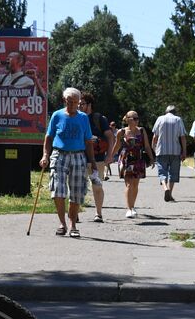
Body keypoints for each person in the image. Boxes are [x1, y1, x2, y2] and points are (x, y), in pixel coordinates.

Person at [39, 87, 95, 237]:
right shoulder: (57, 116)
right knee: (57, 189)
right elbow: (49, 137)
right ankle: (62, 223)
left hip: (78, 155)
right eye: (70, 102)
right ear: (64, 101)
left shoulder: (83, 118)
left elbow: (88, 141)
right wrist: (45, 155)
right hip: (59, 154)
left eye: (76, 102)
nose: (73, 105)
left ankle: (73, 225)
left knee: (77, 191)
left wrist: (92, 161)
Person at [112, 109, 157, 219]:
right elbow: (117, 145)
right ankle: (129, 209)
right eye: (134, 118)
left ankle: (132, 206)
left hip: (138, 158)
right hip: (126, 159)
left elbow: (146, 146)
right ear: (128, 120)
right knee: (128, 184)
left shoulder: (141, 131)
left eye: (137, 118)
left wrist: (152, 158)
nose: (137, 120)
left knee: (135, 185)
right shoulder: (121, 132)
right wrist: (110, 156)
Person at [79, 92, 115, 222]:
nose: (79, 106)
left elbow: (110, 137)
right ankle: (75, 212)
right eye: (78, 104)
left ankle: (98, 213)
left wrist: (110, 155)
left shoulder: (99, 119)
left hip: (98, 159)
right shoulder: (75, 117)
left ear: (89, 104)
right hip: (79, 158)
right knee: (77, 186)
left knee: (97, 186)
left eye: (82, 104)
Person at [150, 105, 187, 201]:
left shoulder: (160, 119)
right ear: (175, 112)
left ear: (166, 112)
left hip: (161, 150)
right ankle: (169, 193)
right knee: (173, 173)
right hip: (175, 151)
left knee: (162, 172)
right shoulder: (178, 119)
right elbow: (182, 137)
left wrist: (153, 148)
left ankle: (165, 188)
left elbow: (155, 136)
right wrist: (184, 151)